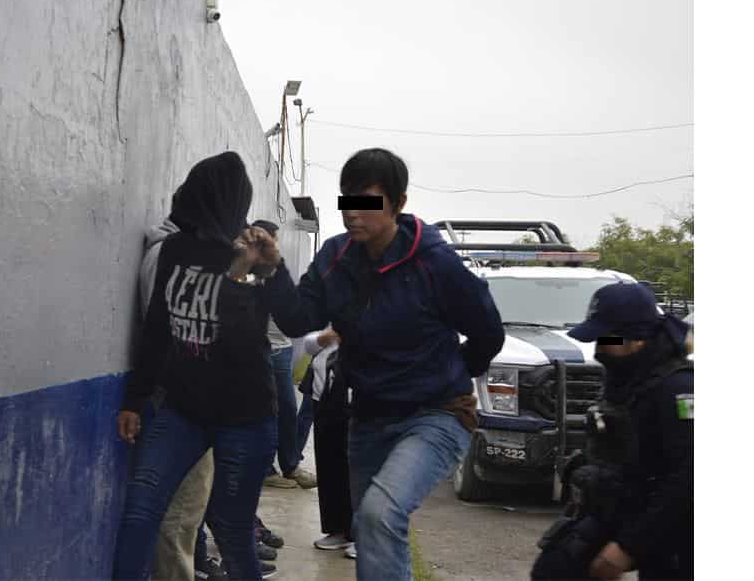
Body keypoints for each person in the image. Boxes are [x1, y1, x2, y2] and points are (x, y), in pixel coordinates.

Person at [236, 148, 506, 580]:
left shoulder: (435, 263)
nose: (353, 214)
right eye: (348, 201)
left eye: (367, 203)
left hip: (436, 414)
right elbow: (297, 319)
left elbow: (489, 333)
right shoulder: (334, 258)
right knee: (370, 527)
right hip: (369, 417)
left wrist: (445, 377)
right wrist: (272, 269)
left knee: (381, 514)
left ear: (398, 204)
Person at [113, 152, 282, 581]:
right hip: (183, 410)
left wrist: (248, 272)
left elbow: (249, 336)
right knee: (139, 511)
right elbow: (156, 327)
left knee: (231, 529)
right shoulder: (172, 250)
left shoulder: (246, 256)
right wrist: (135, 398)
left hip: (243, 416)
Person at [531, 283, 693, 581]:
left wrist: (627, 548)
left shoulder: (677, 389)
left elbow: (687, 482)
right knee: (556, 568)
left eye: (608, 338)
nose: (600, 348)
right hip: (625, 506)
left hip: (676, 522)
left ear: (638, 338)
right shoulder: (627, 378)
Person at [139, 188, 216, 581]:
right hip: (182, 406)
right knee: (180, 517)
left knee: (185, 516)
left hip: (188, 404)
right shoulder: (170, 257)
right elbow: (172, 335)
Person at [249, 220, 318, 491]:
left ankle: (290, 466)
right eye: (269, 241)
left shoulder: (277, 274)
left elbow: (295, 313)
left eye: (275, 241)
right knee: (264, 413)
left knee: (288, 409)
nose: (274, 246)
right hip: (260, 352)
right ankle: (267, 470)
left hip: (282, 350)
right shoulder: (246, 274)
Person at [300, 327, 355, 555]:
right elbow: (309, 344)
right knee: (329, 465)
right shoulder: (334, 305)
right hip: (324, 396)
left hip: (359, 401)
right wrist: (325, 338)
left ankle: (361, 535)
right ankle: (337, 529)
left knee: (356, 470)